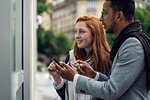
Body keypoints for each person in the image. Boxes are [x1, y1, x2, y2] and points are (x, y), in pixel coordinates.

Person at [54, 0, 150, 100]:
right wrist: (95, 75)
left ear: (118, 16)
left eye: (104, 13)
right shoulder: (126, 41)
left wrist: (74, 78)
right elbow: (115, 84)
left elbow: (110, 91)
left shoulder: (132, 44)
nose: (101, 18)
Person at [47, 15, 111, 100]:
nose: (76, 36)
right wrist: (56, 76)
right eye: (76, 31)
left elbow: (109, 93)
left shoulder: (108, 60)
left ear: (95, 34)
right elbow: (66, 96)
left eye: (82, 31)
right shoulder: (71, 57)